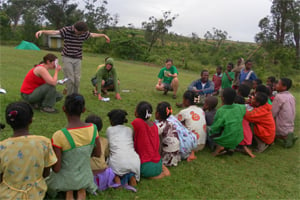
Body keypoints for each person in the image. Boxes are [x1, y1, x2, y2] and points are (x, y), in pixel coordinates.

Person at [46, 93, 101, 199]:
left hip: (65, 180)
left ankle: (69, 190)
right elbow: (98, 153)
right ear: (84, 110)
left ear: (63, 109)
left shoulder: (59, 135)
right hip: (85, 177)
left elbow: (57, 169)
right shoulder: (93, 129)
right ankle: (80, 189)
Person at [0, 101, 57, 199]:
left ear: (8, 122)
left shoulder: (2, 147)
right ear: (31, 120)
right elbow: (46, 173)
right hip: (36, 195)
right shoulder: (44, 142)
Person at [35, 21, 110, 95]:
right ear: (75, 28)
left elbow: (92, 35)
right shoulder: (67, 30)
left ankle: (76, 96)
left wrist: (103, 35)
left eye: (82, 33)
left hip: (78, 58)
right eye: (79, 32)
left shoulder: (83, 33)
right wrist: (42, 31)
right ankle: (70, 97)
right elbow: (55, 32)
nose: (80, 34)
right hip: (67, 57)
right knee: (70, 79)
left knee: (77, 79)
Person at [132, 101, 170, 179]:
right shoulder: (155, 126)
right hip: (158, 164)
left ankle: (154, 176)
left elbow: (132, 140)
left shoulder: (137, 123)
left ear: (136, 113)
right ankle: (160, 172)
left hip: (145, 167)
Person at [106, 109, 140, 187]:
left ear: (111, 121)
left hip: (117, 163)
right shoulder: (129, 130)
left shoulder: (109, 130)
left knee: (112, 166)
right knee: (127, 167)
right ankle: (132, 177)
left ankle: (117, 180)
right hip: (134, 162)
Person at [85, 114, 119, 191]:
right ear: (100, 128)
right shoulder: (104, 141)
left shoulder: (81, 142)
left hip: (87, 175)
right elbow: (106, 156)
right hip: (103, 175)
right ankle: (118, 184)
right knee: (111, 169)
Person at [208, 88, 245, 156]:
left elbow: (216, 127)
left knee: (208, 131)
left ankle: (219, 147)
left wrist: (209, 130)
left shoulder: (221, 111)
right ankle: (231, 148)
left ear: (222, 98)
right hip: (238, 138)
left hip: (225, 139)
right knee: (230, 128)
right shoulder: (240, 107)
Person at [177, 91, 207, 158]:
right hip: (202, 144)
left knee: (178, 125)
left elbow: (174, 121)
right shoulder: (201, 110)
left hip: (191, 145)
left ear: (187, 101)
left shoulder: (184, 112)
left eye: (183, 99)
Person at [272, 78, 297, 148]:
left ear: (284, 87)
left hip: (281, 124)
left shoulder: (279, 97)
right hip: (290, 124)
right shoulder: (291, 96)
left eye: (278, 84)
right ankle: (289, 136)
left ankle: (285, 138)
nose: (276, 85)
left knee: (269, 121)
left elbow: (273, 112)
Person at [155, 102, 181, 166]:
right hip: (176, 155)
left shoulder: (159, 126)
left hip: (166, 157)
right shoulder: (171, 123)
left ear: (157, 114)